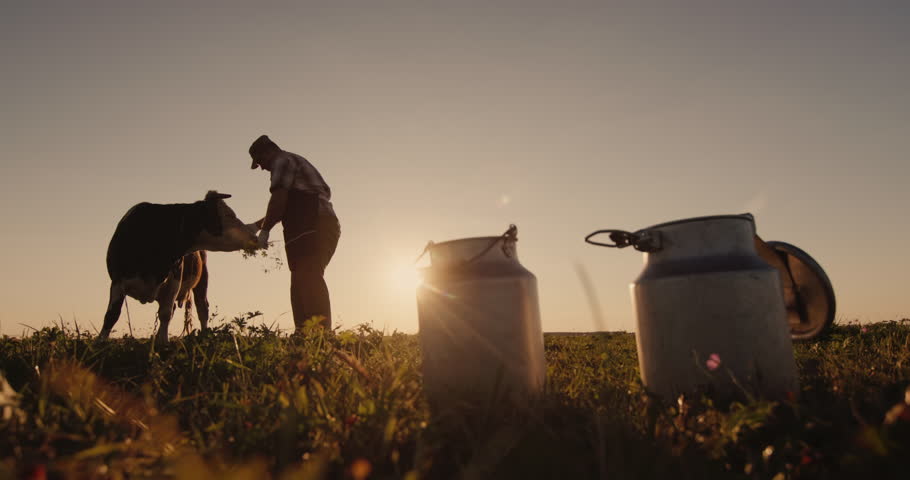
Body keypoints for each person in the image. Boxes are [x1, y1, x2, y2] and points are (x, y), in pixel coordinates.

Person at [248, 135, 340, 332]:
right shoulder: (291, 163)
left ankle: (321, 336)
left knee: (309, 275)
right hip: (305, 226)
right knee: (299, 281)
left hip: (317, 223)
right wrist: (256, 227)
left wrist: (264, 231)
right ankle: (304, 335)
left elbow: (279, 198)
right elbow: (285, 206)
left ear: (268, 152)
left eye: (260, 162)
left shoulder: (282, 161)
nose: (262, 168)